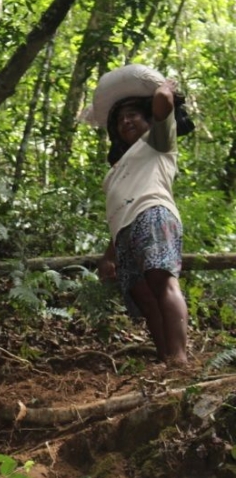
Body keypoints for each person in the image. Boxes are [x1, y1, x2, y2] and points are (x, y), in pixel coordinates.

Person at [97, 78, 189, 367]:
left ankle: (179, 358)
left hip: (153, 214)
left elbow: (163, 103)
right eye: (121, 119)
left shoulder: (157, 142)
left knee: (161, 281)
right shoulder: (118, 167)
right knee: (145, 297)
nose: (126, 121)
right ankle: (165, 359)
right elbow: (120, 211)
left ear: (149, 119)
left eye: (133, 115)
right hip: (125, 233)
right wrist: (109, 255)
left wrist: (165, 88)